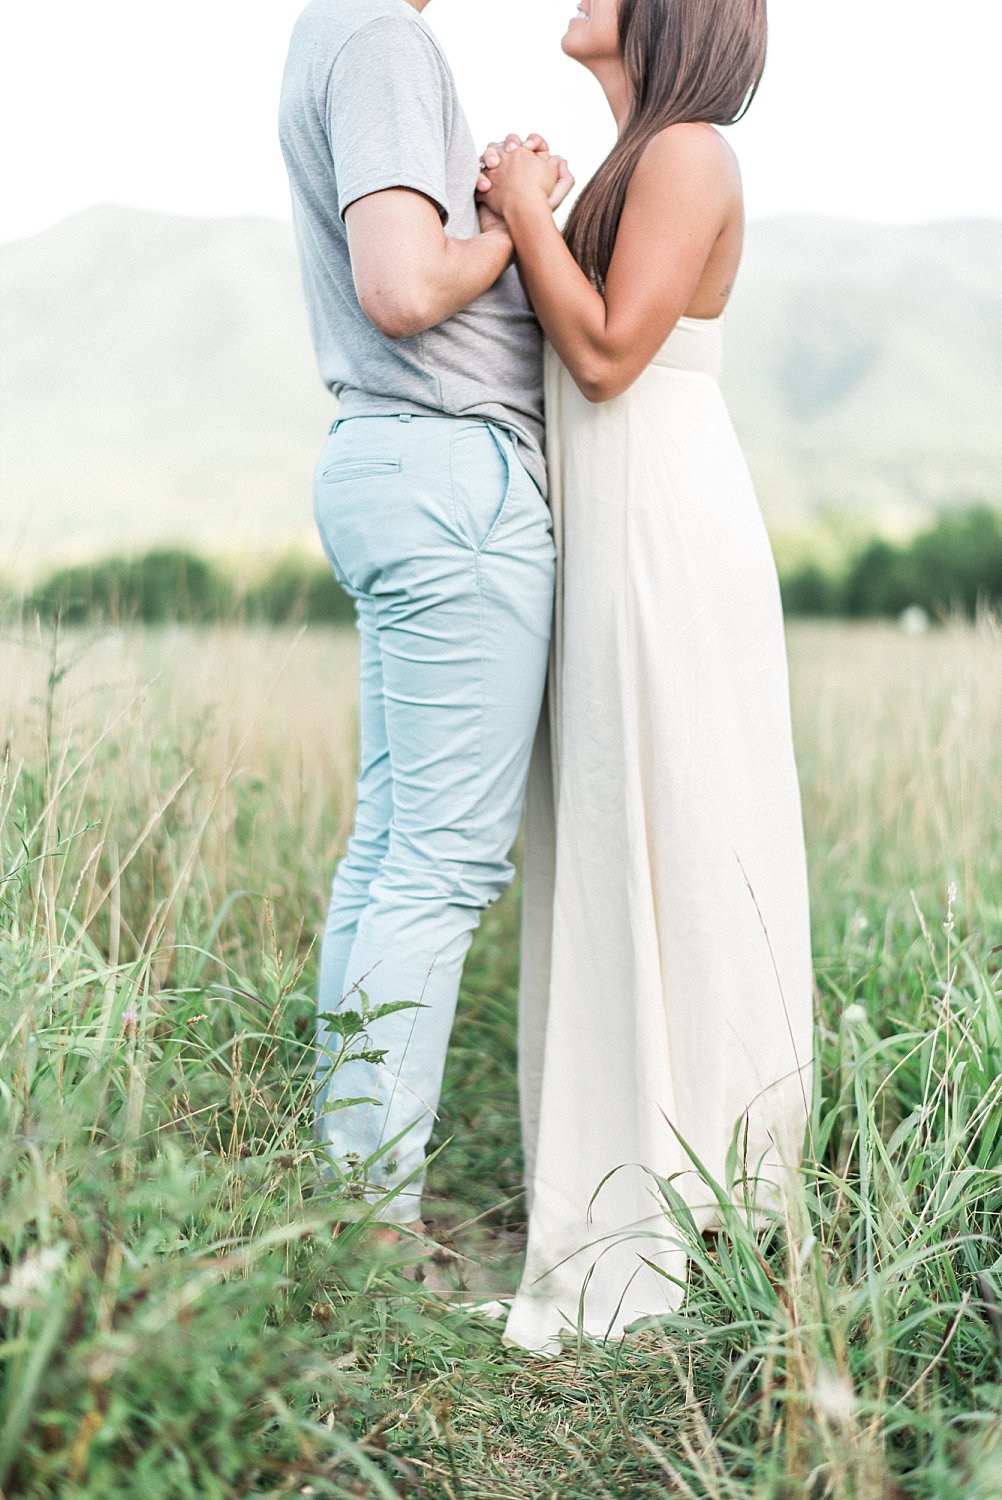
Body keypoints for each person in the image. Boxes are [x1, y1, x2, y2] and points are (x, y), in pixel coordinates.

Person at [477, 0, 815, 1352]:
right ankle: (661, 1171)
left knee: (681, 825)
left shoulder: (688, 150)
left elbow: (610, 355)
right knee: (626, 835)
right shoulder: (635, 158)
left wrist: (521, 207)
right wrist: (534, 206)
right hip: (612, 528)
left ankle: (711, 1184)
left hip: (662, 533)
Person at [278, 0, 571, 1245]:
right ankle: (373, 1221)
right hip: (455, 477)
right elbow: (400, 286)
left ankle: (348, 1199)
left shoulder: (328, 31)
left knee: (391, 849)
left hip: (393, 463)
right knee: (438, 868)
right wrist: (513, 223)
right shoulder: (384, 41)